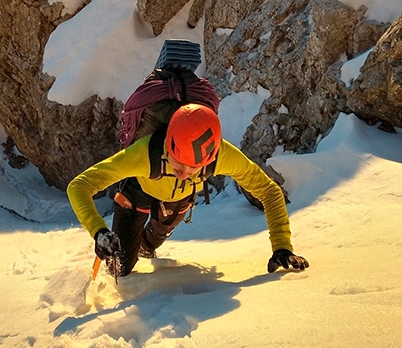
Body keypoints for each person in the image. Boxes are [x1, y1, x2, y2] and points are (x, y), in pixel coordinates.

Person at [67, 103, 308, 277]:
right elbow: (79, 186)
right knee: (119, 266)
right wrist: (98, 231)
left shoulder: (221, 155)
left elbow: (269, 191)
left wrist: (282, 246)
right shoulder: (144, 153)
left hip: (175, 204)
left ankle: (143, 244)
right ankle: (132, 243)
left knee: (148, 247)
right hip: (137, 194)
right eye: (177, 163)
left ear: (209, 158)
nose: (182, 173)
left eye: (193, 169)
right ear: (167, 144)